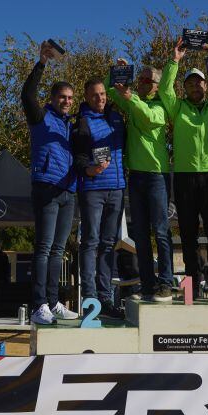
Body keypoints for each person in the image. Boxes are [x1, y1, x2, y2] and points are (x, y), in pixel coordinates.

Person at [159, 36, 208, 303]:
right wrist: (174, 60)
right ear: (185, 88)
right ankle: (191, 288)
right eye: (190, 83)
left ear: (206, 86)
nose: (195, 86)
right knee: (188, 233)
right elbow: (164, 91)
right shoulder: (178, 107)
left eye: (199, 82)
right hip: (184, 176)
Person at [22, 41, 80, 325]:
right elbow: (27, 94)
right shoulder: (40, 116)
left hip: (70, 190)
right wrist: (41, 62)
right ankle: (38, 305)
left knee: (59, 250)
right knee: (43, 248)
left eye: (70, 97)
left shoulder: (72, 125)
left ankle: (54, 302)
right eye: (62, 97)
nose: (66, 101)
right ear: (53, 97)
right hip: (46, 186)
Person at [108, 61, 174, 302]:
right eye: (141, 80)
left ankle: (166, 282)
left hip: (157, 175)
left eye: (148, 80)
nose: (143, 83)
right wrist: (116, 72)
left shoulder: (161, 106)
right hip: (135, 175)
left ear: (157, 86)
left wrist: (131, 97)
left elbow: (147, 118)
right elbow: (109, 89)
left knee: (161, 231)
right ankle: (147, 284)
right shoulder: (132, 99)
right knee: (141, 235)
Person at [73, 79, 126, 316]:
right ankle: (90, 298)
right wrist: (88, 170)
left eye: (103, 94)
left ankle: (106, 298)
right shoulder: (82, 121)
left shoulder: (116, 118)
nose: (100, 98)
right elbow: (78, 155)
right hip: (93, 189)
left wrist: (120, 75)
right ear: (86, 96)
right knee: (90, 242)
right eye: (95, 95)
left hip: (117, 188)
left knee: (108, 244)